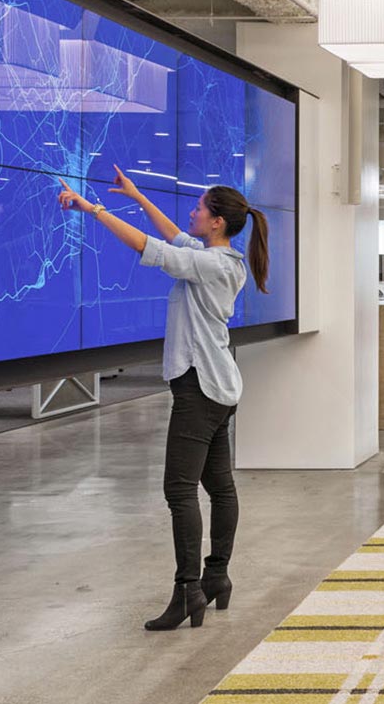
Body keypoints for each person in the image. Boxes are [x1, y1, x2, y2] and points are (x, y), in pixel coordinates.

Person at [58, 168, 268, 631]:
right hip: (218, 386)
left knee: (179, 489)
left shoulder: (211, 265)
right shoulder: (221, 258)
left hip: (199, 388)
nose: (190, 213)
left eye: (199, 207)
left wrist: (92, 209)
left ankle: (188, 590)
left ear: (216, 222)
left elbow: (148, 247)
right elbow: (171, 234)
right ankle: (216, 578)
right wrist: (136, 196)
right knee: (219, 487)